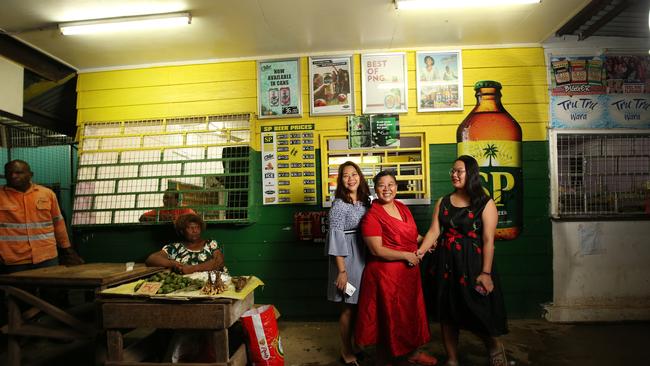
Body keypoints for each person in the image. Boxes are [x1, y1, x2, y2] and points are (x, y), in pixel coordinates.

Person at [418, 156, 508, 366]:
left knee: (475, 310)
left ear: (471, 174)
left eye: (459, 171)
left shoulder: (484, 202)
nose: (454, 175)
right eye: (453, 171)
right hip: (445, 263)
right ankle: (452, 358)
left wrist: (485, 273)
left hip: (473, 264)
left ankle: (494, 346)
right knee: (447, 311)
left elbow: (488, 240)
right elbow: (433, 232)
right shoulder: (443, 201)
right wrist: (419, 253)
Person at [355, 170, 437, 366]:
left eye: (391, 184)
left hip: (408, 274)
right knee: (387, 319)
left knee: (409, 315)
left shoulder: (402, 208)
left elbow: (411, 235)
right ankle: (385, 360)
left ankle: (413, 354)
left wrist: (424, 240)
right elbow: (376, 250)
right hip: (385, 276)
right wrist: (406, 255)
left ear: (396, 187)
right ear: (375, 189)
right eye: (382, 185)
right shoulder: (371, 217)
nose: (387, 189)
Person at [0, 160, 83, 274]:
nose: (13, 176)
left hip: (46, 256)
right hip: (13, 259)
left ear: (30, 174)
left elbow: (58, 224)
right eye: (9, 173)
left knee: (52, 290)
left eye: (18, 172)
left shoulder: (47, 194)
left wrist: (66, 249)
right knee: (20, 292)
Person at [325, 161, 371, 366]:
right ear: (340, 181)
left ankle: (356, 344)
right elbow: (336, 238)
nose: (350, 178)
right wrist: (342, 271)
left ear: (360, 177)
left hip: (365, 255)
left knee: (361, 304)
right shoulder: (338, 206)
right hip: (347, 259)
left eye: (354, 174)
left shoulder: (366, 202)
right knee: (348, 307)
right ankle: (346, 351)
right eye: (345, 175)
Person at [145, 213, 224, 274]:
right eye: (190, 228)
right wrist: (174, 264)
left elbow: (219, 262)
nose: (195, 231)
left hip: (213, 285)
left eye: (197, 227)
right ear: (182, 231)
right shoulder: (175, 248)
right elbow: (151, 259)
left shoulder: (210, 243)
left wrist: (191, 269)